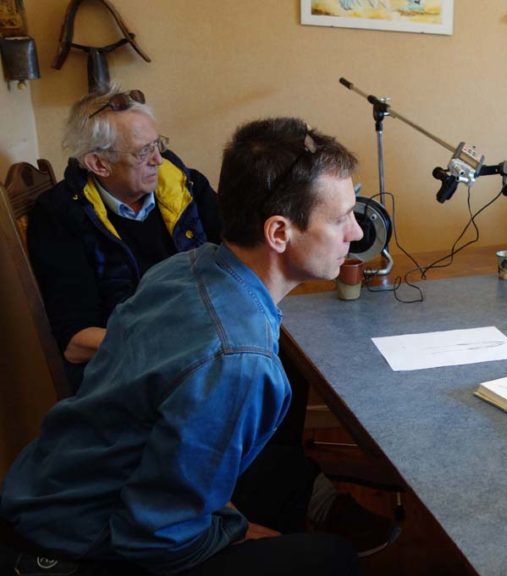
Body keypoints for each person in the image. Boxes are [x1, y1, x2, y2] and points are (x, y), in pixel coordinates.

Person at [1, 118, 389, 574]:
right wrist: (230, 532)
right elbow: (157, 536)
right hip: (79, 542)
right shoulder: (238, 360)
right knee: (333, 559)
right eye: (342, 218)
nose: (357, 233)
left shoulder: (186, 266)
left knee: (273, 478)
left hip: (40, 487)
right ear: (279, 233)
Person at [28, 87, 221, 391]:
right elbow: (76, 341)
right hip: (129, 370)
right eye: (144, 151)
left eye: (158, 144)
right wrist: (177, 345)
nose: (159, 159)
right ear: (98, 164)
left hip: (203, 342)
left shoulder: (186, 186)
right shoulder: (60, 215)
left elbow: (239, 255)